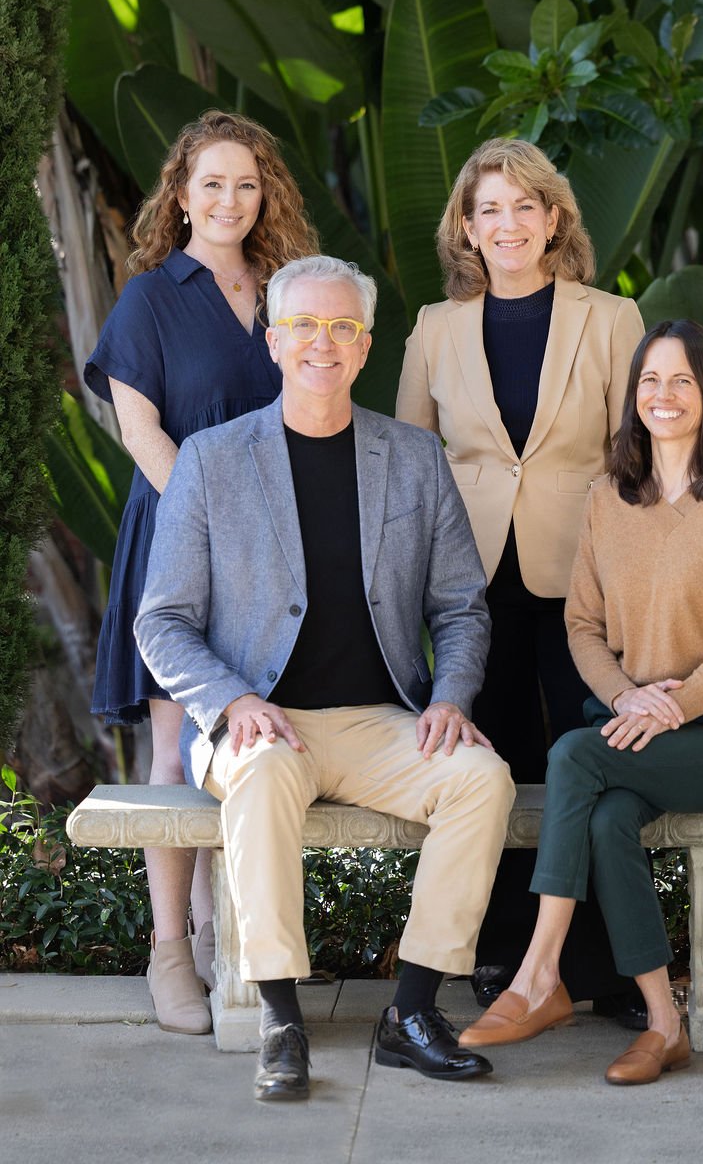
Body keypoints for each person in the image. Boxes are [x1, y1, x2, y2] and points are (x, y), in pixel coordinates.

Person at [135, 255, 516, 1103]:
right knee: (264, 772)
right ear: (273, 342)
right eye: (304, 326)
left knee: (482, 780)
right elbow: (161, 621)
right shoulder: (211, 460)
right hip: (259, 722)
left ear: (366, 347)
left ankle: (412, 1012)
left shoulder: (414, 458)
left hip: (381, 721)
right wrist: (232, 701)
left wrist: (450, 697)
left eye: (343, 328)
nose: (323, 343)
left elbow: (460, 606)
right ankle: (281, 1020)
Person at [457, 319, 703, 1083]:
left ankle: (538, 975)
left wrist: (676, 704)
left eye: (682, 381)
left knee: (573, 754)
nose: (664, 395)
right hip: (630, 731)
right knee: (607, 821)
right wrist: (626, 697)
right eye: (650, 380)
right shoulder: (609, 497)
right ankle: (665, 1024)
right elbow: (582, 625)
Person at [395, 137, 646, 1021]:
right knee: (490, 762)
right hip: (469, 583)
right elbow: (409, 463)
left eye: (524, 206)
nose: (507, 224)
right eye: (489, 209)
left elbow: (635, 456)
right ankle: (501, 952)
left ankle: (609, 966)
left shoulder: (610, 317)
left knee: (594, 762)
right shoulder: (434, 328)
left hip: (585, 573)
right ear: (466, 226)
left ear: (554, 219)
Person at [84, 111, 318, 1036]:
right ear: (181, 195)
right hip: (180, 538)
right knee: (178, 747)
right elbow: (139, 429)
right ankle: (171, 949)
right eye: (212, 183)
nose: (230, 200)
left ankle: (229, 933)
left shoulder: (288, 290)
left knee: (246, 745)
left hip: (275, 550)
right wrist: (213, 519)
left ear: (266, 196)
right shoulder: (149, 299)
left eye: (246, 184)